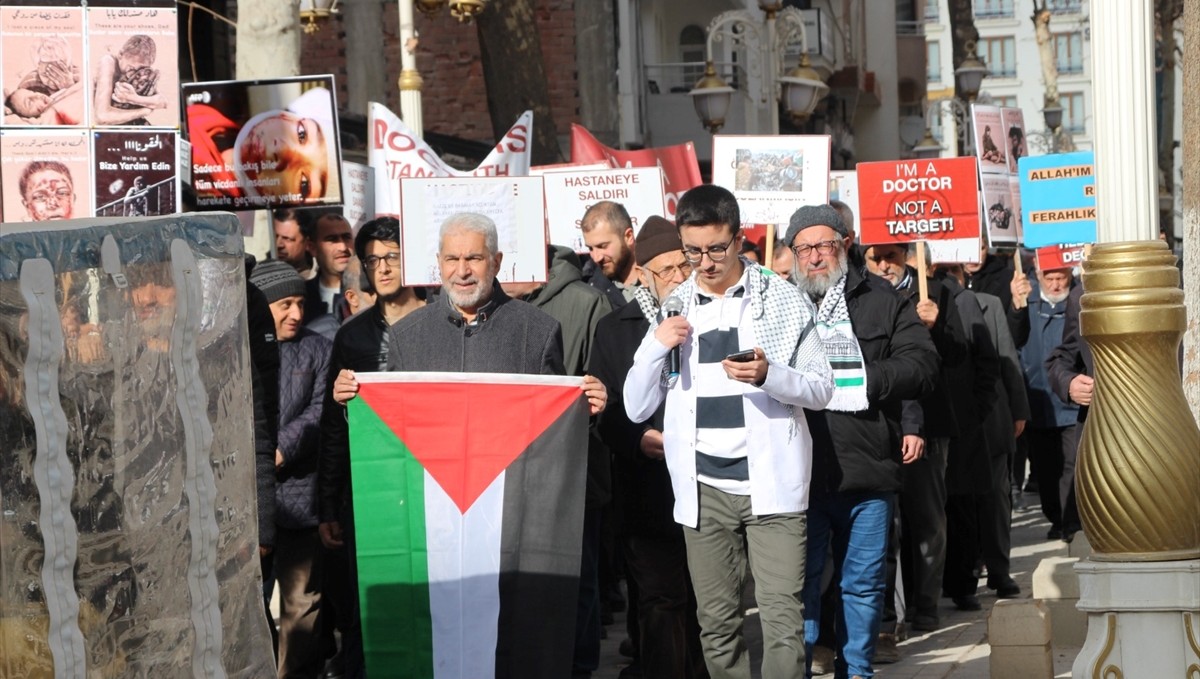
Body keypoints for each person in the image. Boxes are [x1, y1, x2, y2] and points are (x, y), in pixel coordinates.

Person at [331, 212, 608, 679]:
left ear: (496, 261)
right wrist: (355, 404)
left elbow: (552, 436)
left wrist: (588, 409)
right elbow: (396, 427)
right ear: (437, 264)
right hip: (436, 525)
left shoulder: (536, 331)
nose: (463, 269)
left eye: (474, 258)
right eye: (453, 258)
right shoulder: (406, 337)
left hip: (506, 520)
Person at [624, 186, 835, 679]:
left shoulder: (780, 298)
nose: (705, 261)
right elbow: (636, 408)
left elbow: (823, 388)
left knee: (782, 620)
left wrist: (770, 375)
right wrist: (656, 347)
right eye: (693, 250)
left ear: (739, 239)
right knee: (716, 624)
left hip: (773, 486)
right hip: (702, 488)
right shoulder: (673, 306)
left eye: (717, 248)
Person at [788, 205, 939, 679]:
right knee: (801, 584)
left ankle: (857, 670)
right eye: (804, 247)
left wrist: (863, 379)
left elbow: (923, 364)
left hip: (869, 471)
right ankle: (804, 666)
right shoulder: (778, 302)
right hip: (799, 473)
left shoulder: (883, 299)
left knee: (864, 585)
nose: (815, 257)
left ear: (844, 244)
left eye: (823, 245)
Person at [592, 216, 707, 679]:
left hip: (706, 483)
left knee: (706, 600)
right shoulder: (615, 329)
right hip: (646, 488)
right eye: (667, 270)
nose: (679, 277)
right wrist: (637, 439)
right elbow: (603, 409)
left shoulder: (711, 315)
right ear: (644, 275)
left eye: (685, 265)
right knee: (661, 600)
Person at [316, 216, 425, 679]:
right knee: (368, 606)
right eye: (373, 260)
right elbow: (333, 425)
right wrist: (328, 504)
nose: (382, 269)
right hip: (368, 491)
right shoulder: (352, 336)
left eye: (392, 258)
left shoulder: (442, 324)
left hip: (428, 486)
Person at [502, 244, 613, 676]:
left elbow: (606, 380)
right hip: (510, 475)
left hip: (573, 470)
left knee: (574, 579)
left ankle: (578, 667)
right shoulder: (484, 314)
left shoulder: (586, 303)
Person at [861, 241, 966, 655]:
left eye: (892, 255)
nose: (885, 264)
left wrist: (936, 326)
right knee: (883, 527)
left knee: (926, 519)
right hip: (880, 426)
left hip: (930, 424)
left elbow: (960, 356)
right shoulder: (863, 296)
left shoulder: (938, 291)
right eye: (876, 257)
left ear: (908, 254)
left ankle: (925, 605)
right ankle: (886, 618)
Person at [249, 260, 332, 679]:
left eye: (300, 303)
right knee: (252, 602)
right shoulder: (238, 346)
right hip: (253, 504)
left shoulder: (318, 349)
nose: (295, 314)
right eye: (284, 304)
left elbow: (322, 409)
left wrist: (282, 448)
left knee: (302, 604)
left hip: (302, 498)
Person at [1018, 265, 1080, 542]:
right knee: (1045, 468)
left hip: (1070, 402)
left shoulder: (1079, 301)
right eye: (1049, 278)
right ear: (1039, 277)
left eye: (1061, 278)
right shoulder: (1026, 301)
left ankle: (1071, 522)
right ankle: (1055, 516)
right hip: (1038, 401)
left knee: (1072, 464)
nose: (1055, 285)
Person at [92, 34, 167, 126]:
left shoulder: (140, 69)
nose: (133, 74)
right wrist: (143, 111)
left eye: (139, 70)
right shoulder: (108, 62)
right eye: (130, 68)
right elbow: (102, 117)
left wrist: (133, 98)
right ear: (120, 54)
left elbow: (163, 102)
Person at [581, 201, 640, 309]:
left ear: (628, 237)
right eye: (590, 248)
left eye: (602, 246)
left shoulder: (662, 278)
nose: (596, 257)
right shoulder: (590, 293)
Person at [303, 212, 354, 327]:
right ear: (312, 247)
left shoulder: (368, 291)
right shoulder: (302, 297)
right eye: (332, 239)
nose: (343, 247)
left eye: (346, 238)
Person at [274, 208, 318, 279]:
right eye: (275, 237)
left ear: (307, 244)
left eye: (287, 239)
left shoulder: (315, 283)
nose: (278, 245)